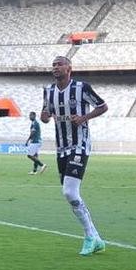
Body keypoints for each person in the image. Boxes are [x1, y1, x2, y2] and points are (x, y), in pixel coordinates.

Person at [41, 56, 108, 256]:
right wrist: (44, 117)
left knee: (69, 192)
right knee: (71, 194)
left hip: (80, 144)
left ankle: (89, 236)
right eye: (53, 65)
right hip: (61, 148)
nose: (55, 67)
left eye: (59, 64)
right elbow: (46, 113)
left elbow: (103, 106)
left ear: (69, 68)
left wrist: (84, 118)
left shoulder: (81, 87)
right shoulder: (49, 91)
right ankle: (97, 239)